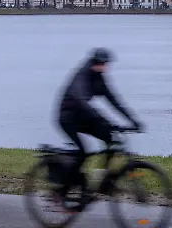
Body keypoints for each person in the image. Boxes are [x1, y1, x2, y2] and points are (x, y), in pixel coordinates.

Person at [57, 47, 142, 203]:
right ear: (93, 62)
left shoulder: (99, 78)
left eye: (105, 64)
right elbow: (82, 102)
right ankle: (63, 189)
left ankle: (106, 183)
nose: (103, 67)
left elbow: (114, 100)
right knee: (84, 152)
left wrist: (132, 120)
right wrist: (104, 120)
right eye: (100, 63)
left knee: (111, 139)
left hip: (83, 116)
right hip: (68, 117)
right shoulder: (82, 76)